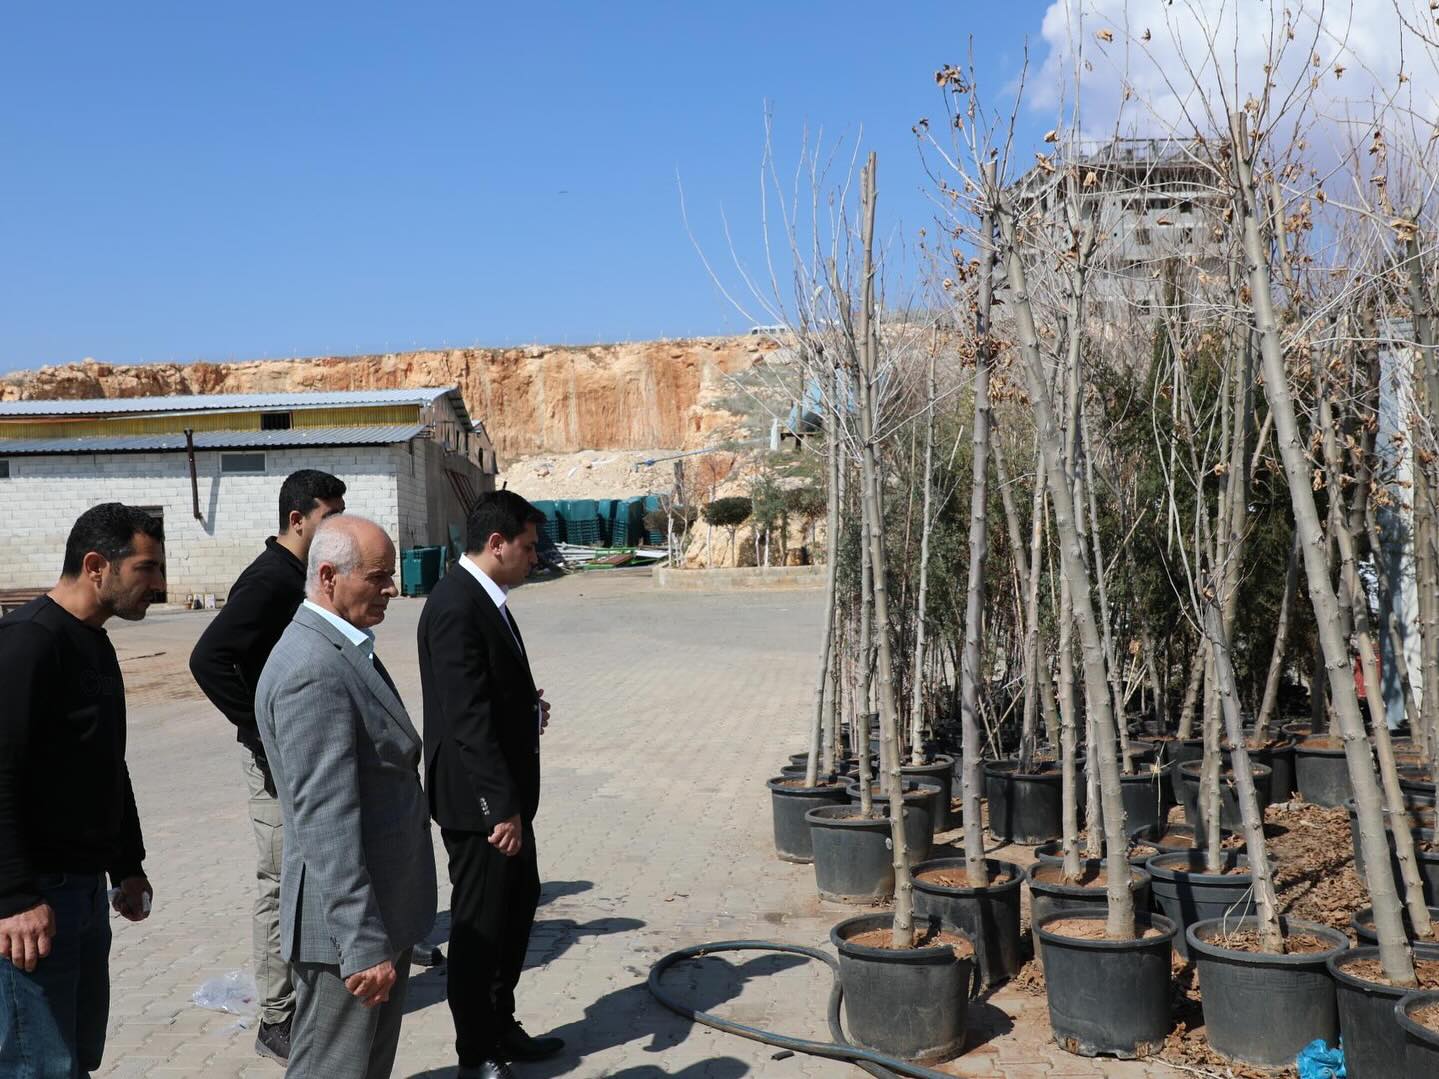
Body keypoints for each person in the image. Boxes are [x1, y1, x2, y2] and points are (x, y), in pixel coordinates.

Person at [254, 515, 435, 1079]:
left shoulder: (338, 646)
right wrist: (361, 944)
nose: (391, 589)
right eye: (378, 577)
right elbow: (325, 822)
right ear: (329, 576)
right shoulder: (314, 669)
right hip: (346, 930)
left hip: (379, 909)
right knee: (333, 1069)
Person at [0, 503, 165, 1077]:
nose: (159, 586)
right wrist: (14, 896)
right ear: (97, 566)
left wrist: (128, 865)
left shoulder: (94, 643)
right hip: (35, 902)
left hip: (85, 893)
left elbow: (105, 764)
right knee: (39, 1064)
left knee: (74, 1055)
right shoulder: (28, 644)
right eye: (146, 569)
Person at [188, 468, 346, 1063]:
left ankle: (309, 992)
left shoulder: (299, 576)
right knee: (279, 882)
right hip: (274, 760)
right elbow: (209, 658)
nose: (334, 527)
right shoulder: (268, 581)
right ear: (297, 519)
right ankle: (276, 1018)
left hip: (303, 755)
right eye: (328, 516)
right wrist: (258, 729)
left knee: (308, 874)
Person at [418, 490, 559, 1079]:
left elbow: (490, 694)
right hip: (480, 807)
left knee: (516, 910)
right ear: (496, 543)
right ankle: (475, 1053)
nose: (535, 557)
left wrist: (527, 709)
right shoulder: (456, 604)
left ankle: (501, 1024)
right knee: (478, 932)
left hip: (502, 802)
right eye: (527, 547)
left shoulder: (486, 598)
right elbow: (465, 715)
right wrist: (499, 807)